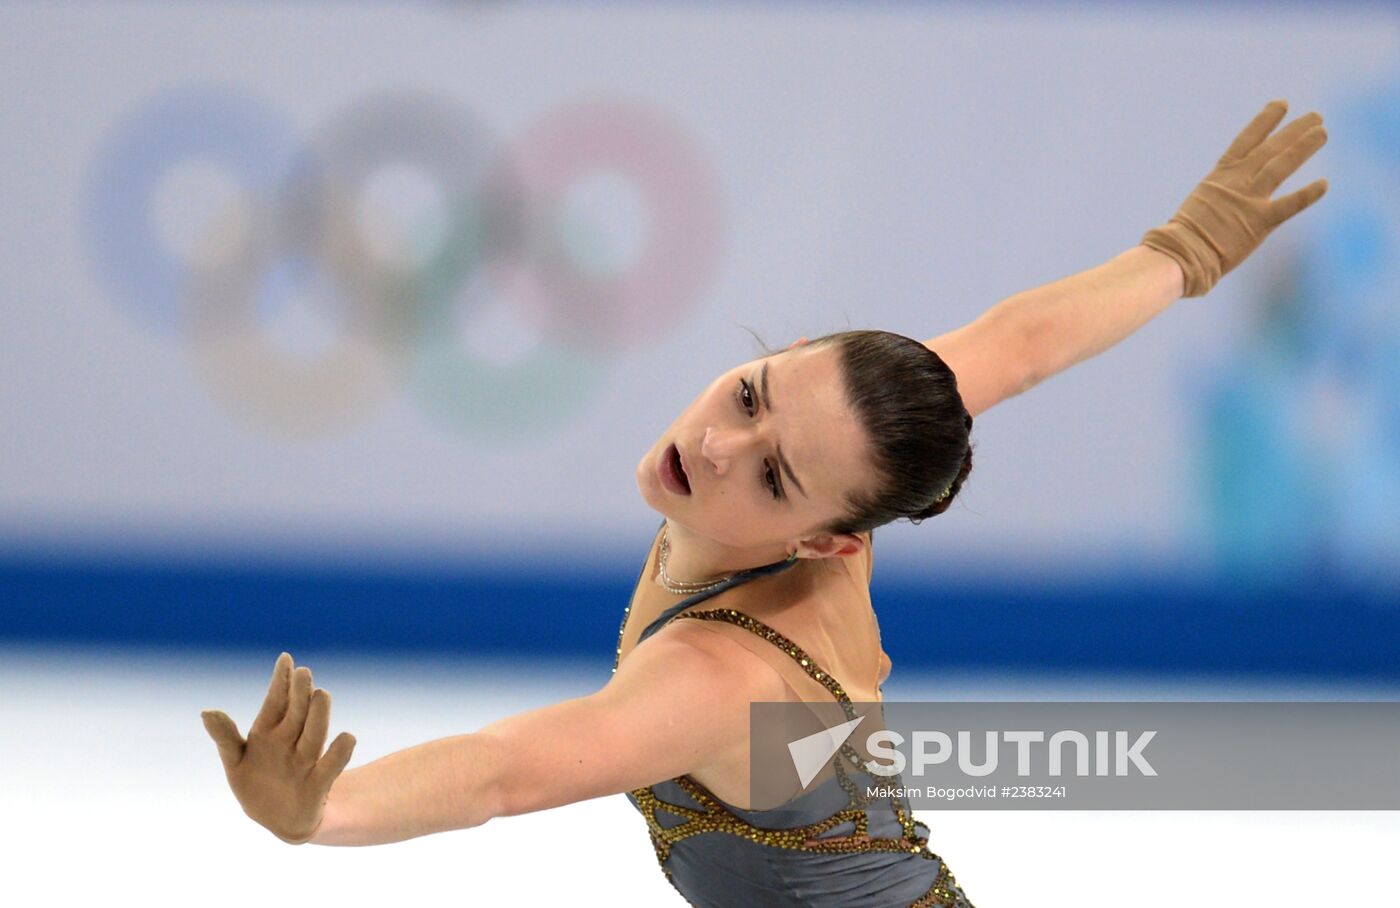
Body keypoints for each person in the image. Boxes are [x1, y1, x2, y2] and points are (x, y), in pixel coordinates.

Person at [201, 99, 1328, 906]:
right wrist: (1184, 250)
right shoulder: (857, 447)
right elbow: (1013, 347)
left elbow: (507, 768)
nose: (716, 445)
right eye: (748, 394)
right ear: (782, 353)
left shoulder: (724, 676)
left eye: (775, 471)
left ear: (832, 538)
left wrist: (322, 814)